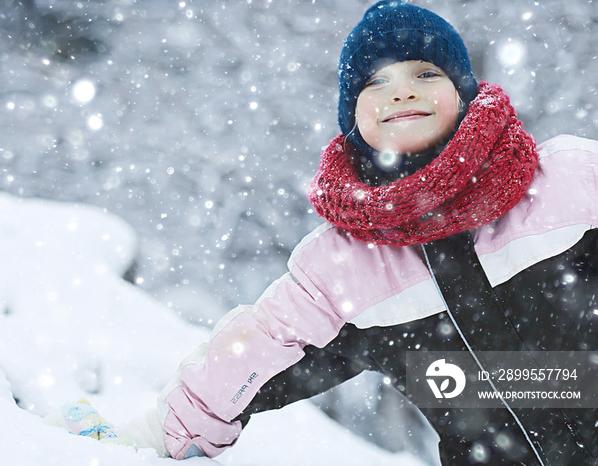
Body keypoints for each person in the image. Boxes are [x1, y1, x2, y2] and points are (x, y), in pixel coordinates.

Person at [155, 1, 598, 464]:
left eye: (426, 74)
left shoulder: (570, 182)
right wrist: (165, 431)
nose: (402, 93)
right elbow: (266, 345)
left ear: (464, 91)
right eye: (376, 82)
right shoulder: (345, 267)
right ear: (353, 117)